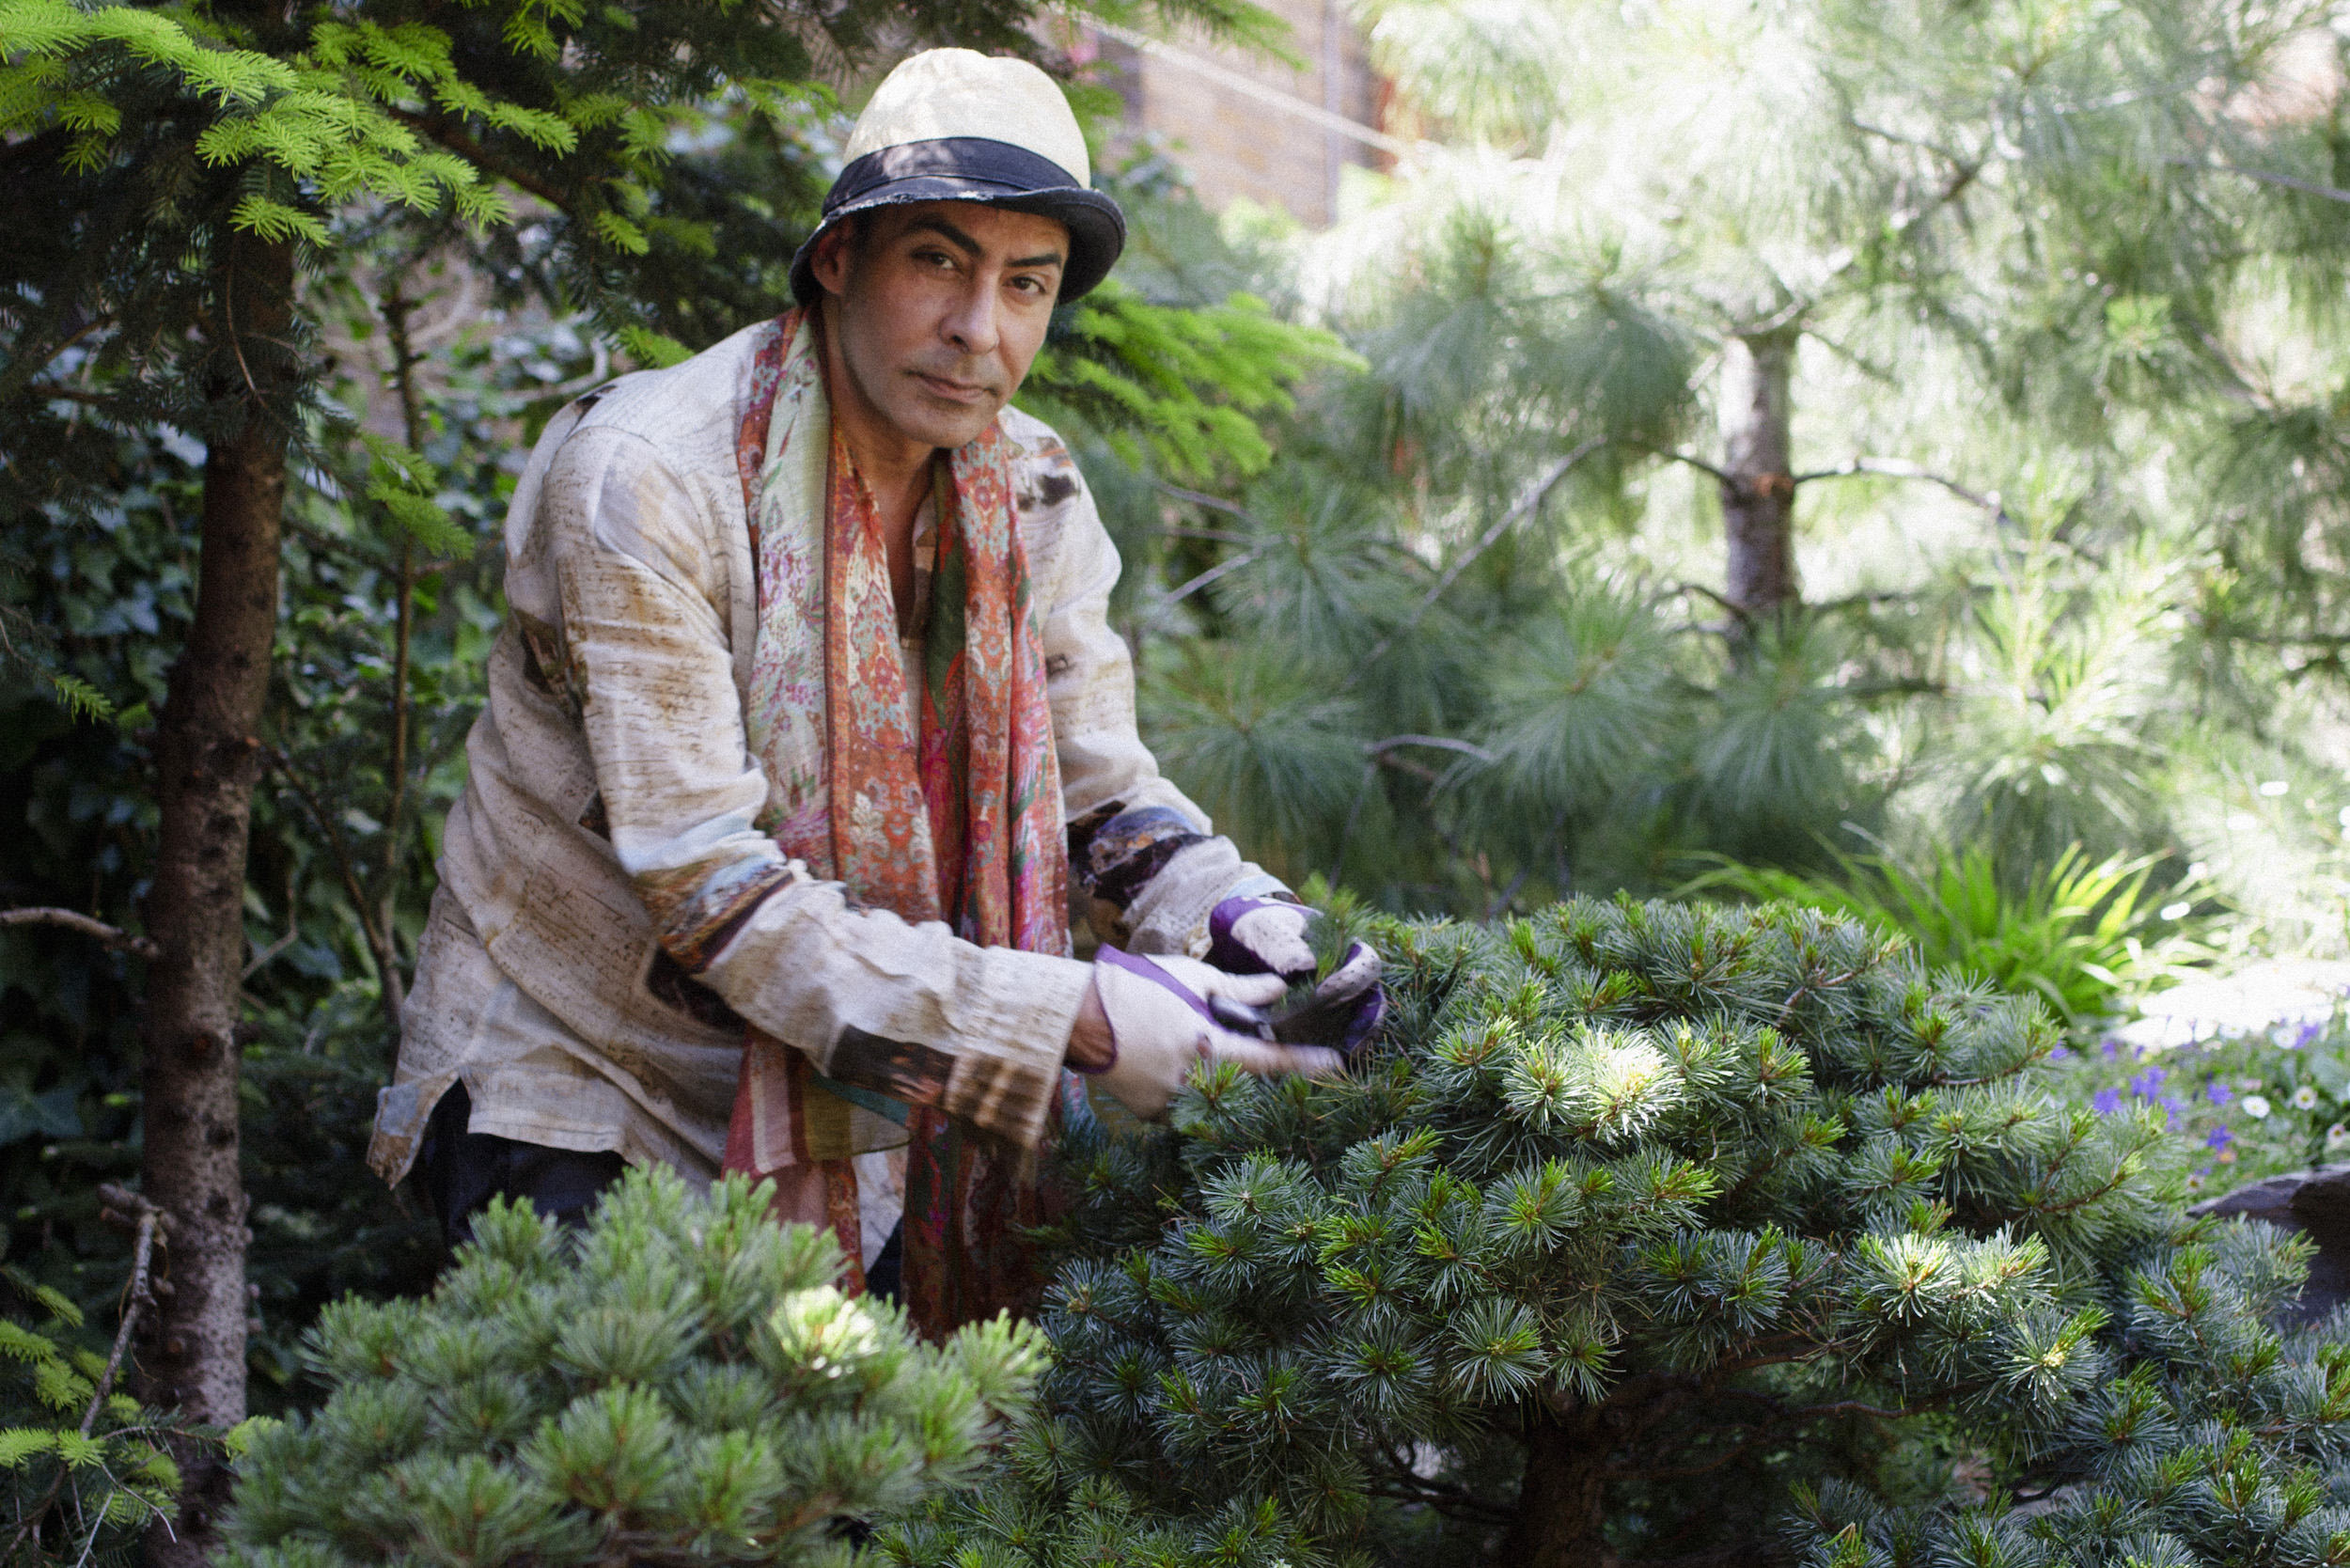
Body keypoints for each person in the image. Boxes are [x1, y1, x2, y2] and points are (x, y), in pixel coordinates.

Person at [367, 47, 1382, 1334]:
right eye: (938, 263)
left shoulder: (1030, 488)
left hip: (868, 1099)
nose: (982, 332)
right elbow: (714, 898)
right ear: (838, 258)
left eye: (1029, 284)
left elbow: (1096, 783)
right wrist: (1074, 1016)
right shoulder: (648, 479)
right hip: (584, 1077)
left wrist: (1247, 918)